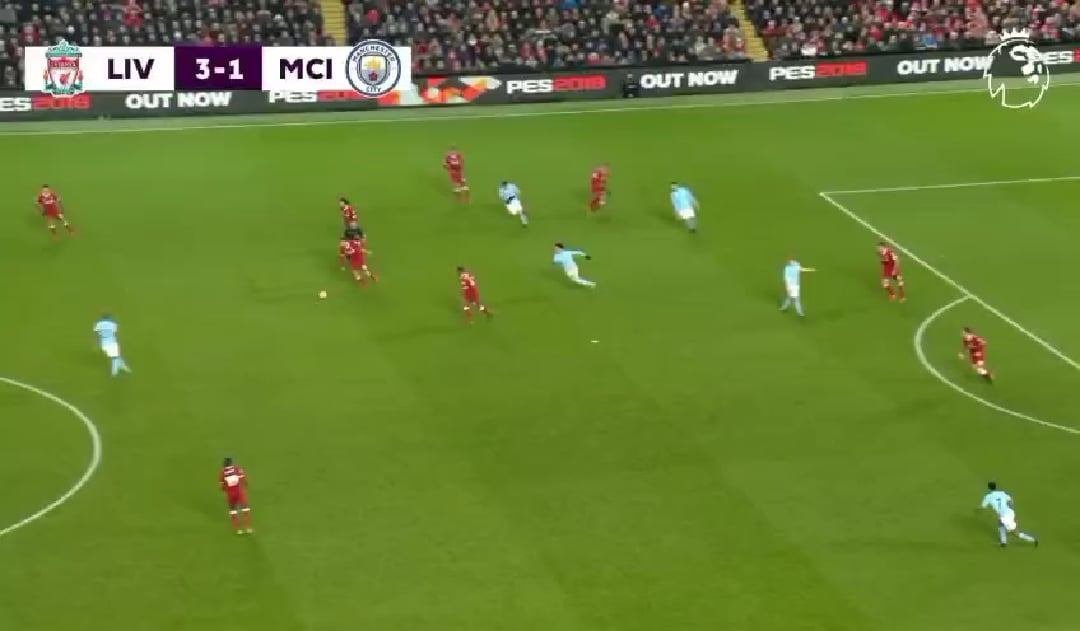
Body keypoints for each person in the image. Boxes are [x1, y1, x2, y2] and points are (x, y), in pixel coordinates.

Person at [980, 481, 1037, 547]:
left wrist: (978, 510)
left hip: (1005, 515)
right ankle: (1003, 542)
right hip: (1009, 512)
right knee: (1000, 523)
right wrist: (1010, 506)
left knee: (1015, 533)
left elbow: (982, 507)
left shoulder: (987, 497)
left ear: (988, 488)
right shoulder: (1002, 493)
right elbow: (1011, 500)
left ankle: (1032, 540)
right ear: (995, 487)